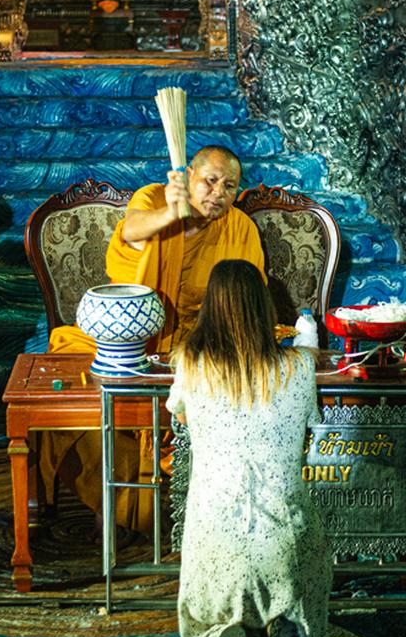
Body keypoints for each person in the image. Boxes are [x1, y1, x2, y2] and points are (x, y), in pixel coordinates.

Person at [167, 260, 380, 637]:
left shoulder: (188, 363)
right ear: (265, 309)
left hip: (213, 541)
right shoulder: (301, 368)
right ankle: (288, 628)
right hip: (283, 542)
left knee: (214, 595)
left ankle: (226, 632)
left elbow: (182, 414)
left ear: (211, 307)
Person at [44, 146, 267, 531]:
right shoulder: (153, 198)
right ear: (188, 176)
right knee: (72, 388)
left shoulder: (239, 228)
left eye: (229, 186)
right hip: (124, 335)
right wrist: (171, 213)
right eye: (210, 181)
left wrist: (200, 349)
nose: (218, 193)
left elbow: (246, 299)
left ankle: (153, 506)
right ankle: (110, 503)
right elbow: (130, 231)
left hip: (195, 344)